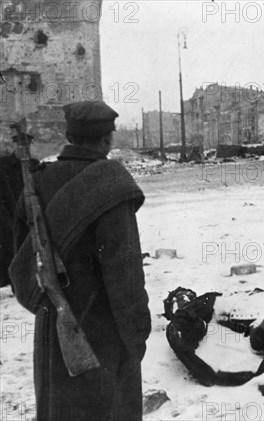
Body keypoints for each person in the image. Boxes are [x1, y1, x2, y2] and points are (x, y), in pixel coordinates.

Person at [10, 101, 151, 420]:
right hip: (104, 328)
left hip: (53, 326)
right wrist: (136, 334)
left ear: (69, 136)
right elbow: (125, 271)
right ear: (107, 139)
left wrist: (51, 303)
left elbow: (22, 267)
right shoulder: (111, 182)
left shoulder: (38, 181)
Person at [0, 133, 38, 288]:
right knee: (9, 247)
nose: (24, 149)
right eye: (21, 146)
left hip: (28, 213)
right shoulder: (4, 165)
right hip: (7, 212)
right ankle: (8, 280)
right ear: (15, 146)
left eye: (27, 146)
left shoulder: (34, 164)